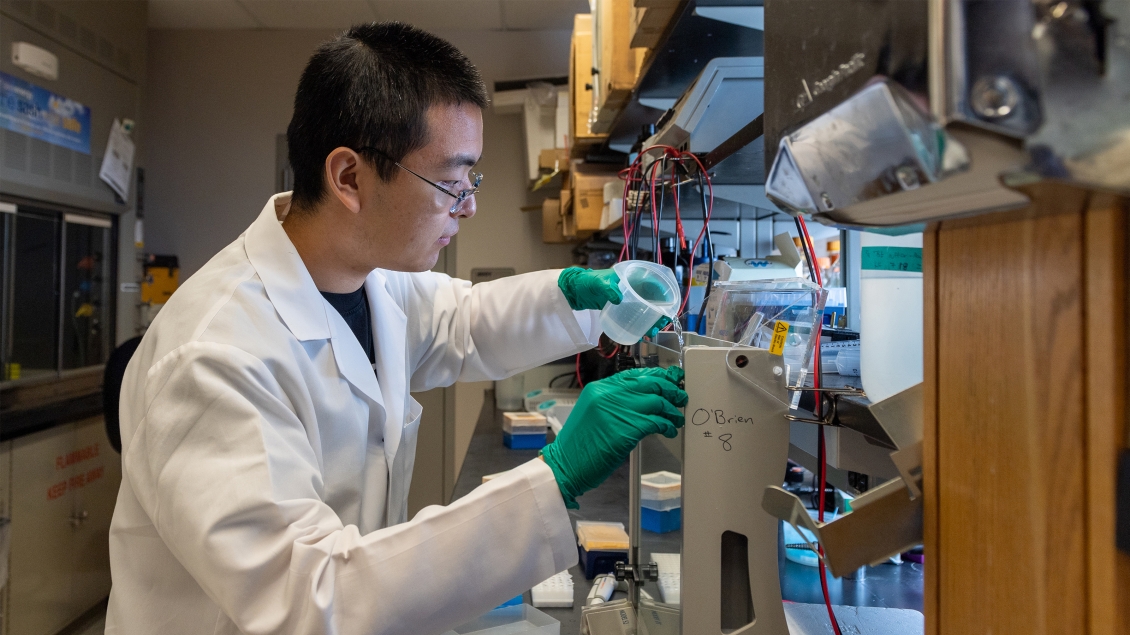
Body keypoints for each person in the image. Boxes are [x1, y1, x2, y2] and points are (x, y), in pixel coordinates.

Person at [105, 22, 687, 635]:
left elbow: (463, 323)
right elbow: (311, 597)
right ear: (350, 178)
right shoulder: (212, 356)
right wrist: (555, 477)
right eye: (450, 183)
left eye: (471, 182)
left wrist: (579, 300)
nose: (468, 206)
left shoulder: (369, 278)